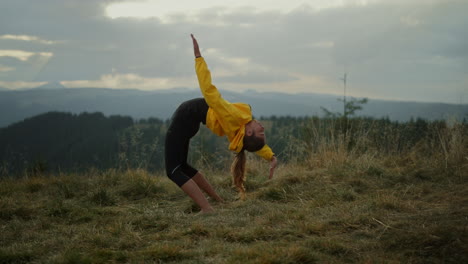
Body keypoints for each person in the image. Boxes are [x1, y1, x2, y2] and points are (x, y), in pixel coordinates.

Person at [164, 34, 278, 213]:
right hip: (191, 121)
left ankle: (207, 208)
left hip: (186, 115)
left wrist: (198, 58)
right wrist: (271, 157)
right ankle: (216, 200)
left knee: (173, 170)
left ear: (249, 133)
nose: (262, 128)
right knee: (183, 166)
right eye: (263, 131)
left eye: (260, 132)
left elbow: (209, 92)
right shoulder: (240, 131)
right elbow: (254, 145)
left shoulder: (234, 118)